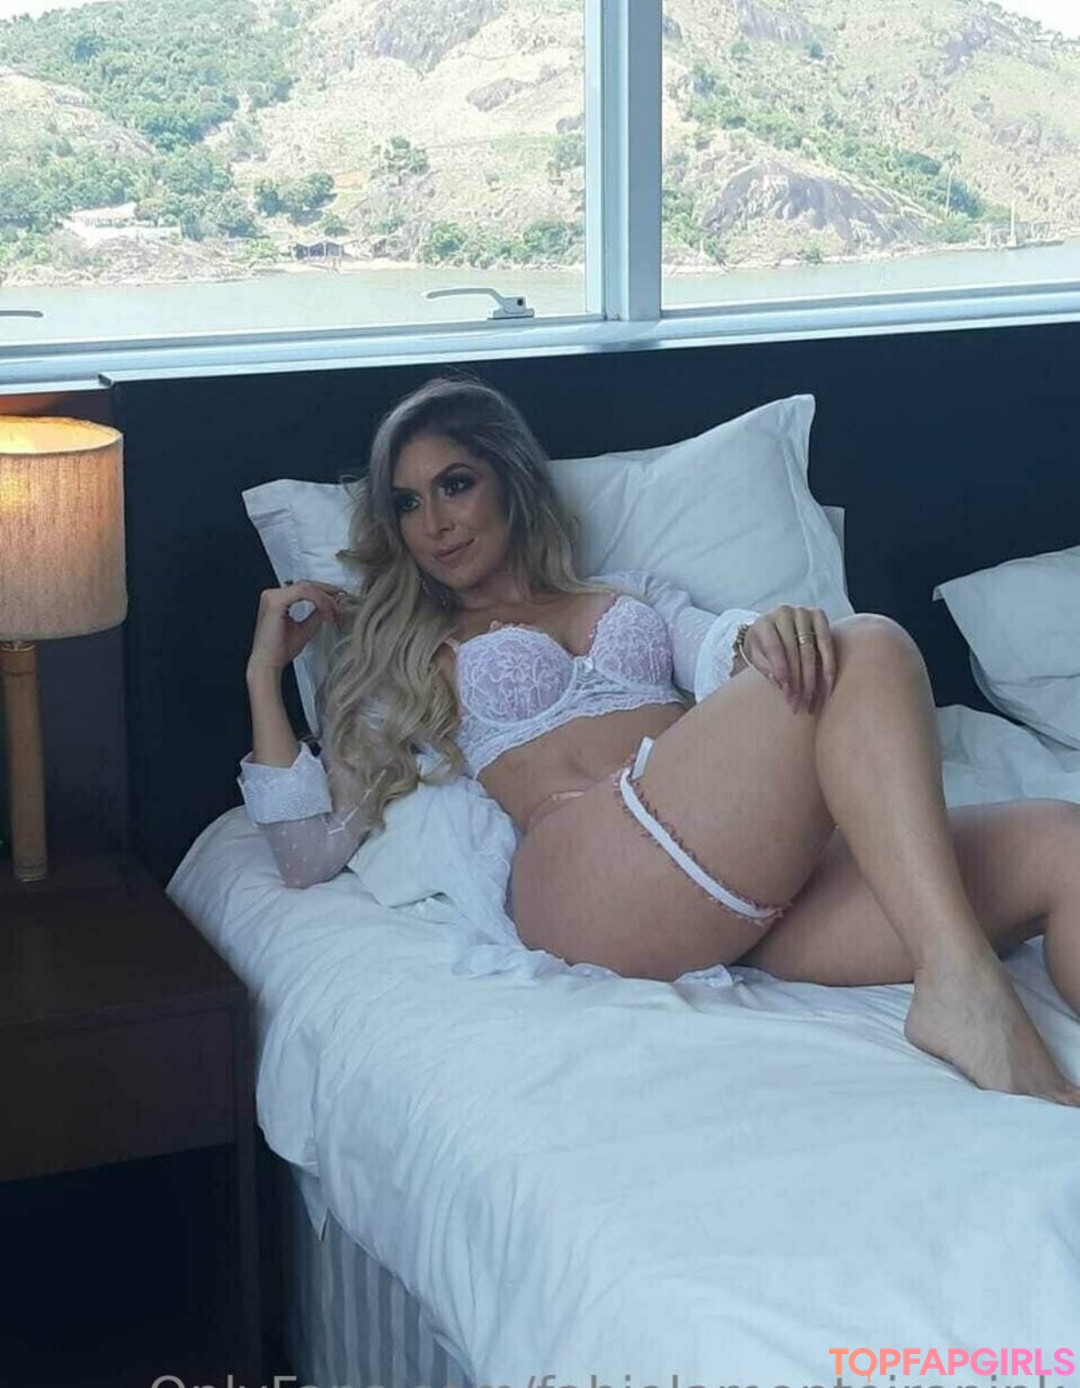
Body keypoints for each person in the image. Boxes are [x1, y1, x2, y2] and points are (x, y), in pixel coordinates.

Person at [241, 373, 1080, 1107]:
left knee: (1062, 844)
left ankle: (956, 972)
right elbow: (307, 856)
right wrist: (264, 676)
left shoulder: (629, 595)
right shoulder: (413, 653)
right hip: (588, 882)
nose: (434, 524)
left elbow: (732, 655)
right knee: (869, 647)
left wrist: (767, 634)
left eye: (454, 485)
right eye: (407, 504)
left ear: (511, 481)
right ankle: (962, 985)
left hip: (732, 884)